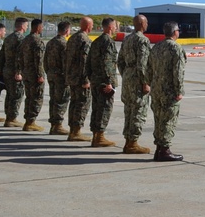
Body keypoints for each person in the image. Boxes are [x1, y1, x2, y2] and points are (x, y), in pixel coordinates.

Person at [146, 21, 185, 162]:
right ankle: (165, 150)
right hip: (169, 90)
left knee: (159, 119)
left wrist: (150, 84)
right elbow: (178, 72)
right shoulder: (176, 48)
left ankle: (159, 149)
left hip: (156, 89)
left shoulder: (156, 47)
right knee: (168, 119)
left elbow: (148, 69)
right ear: (175, 32)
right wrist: (179, 90)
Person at [118, 14, 152, 154]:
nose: (147, 24)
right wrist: (145, 82)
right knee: (138, 110)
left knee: (129, 110)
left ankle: (128, 141)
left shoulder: (127, 38)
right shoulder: (142, 40)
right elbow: (142, 64)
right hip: (137, 79)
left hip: (127, 76)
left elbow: (120, 60)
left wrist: (125, 74)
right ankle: (133, 143)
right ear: (142, 24)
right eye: (146, 22)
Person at [87, 17, 119, 148]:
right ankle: (99, 136)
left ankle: (96, 135)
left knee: (96, 107)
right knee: (104, 108)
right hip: (103, 82)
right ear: (110, 27)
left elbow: (88, 62)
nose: (116, 29)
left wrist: (91, 77)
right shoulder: (108, 42)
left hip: (95, 79)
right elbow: (107, 63)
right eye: (115, 26)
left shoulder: (96, 41)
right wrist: (108, 82)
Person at [64, 16, 93, 142]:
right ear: (88, 26)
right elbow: (84, 61)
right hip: (80, 78)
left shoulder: (73, 38)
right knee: (82, 104)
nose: (92, 28)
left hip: (72, 76)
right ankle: (76, 131)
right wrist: (86, 79)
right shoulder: (84, 39)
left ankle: (72, 130)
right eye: (91, 25)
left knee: (74, 103)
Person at [0, 16, 29, 127]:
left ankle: (8, 117)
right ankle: (12, 118)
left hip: (7, 70)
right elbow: (20, 57)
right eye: (26, 25)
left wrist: (1, 70)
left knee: (10, 95)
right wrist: (19, 72)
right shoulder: (20, 38)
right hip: (15, 71)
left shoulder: (8, 38)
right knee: (17, 95)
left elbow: (1, 56)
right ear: (21, 26)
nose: (27, 28)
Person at [44, 21, 71, 136]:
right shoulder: (63, 44)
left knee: (53, 100)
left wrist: (48, 71)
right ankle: (58, 125)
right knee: (61, 100)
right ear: (66, 31)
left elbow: (45, 60)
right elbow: (66, 62)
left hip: (51, 74)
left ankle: (53, 124)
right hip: (60, 76)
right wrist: (68, 77)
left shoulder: (50, 42)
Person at [20, 18, 46, 132]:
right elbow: (39, 60)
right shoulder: (37, 41)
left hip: (26, 73)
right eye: (42, 27)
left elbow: (19, 57)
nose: (43, 28)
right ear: (37, 27)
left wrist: (22, 70)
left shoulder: (25, 40)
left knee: (29, 97)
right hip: (35, 74)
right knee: (36, 98)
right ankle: (31, 122)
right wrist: (40, 75)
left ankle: (28, 121)